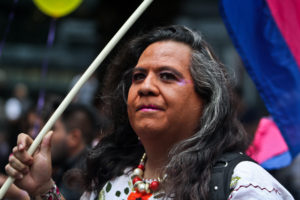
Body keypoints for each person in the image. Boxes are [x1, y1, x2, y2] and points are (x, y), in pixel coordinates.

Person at [5, 25, 294, 200]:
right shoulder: (113, 177)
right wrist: (42, 188)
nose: (146, 86)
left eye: (167, 76)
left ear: (206, 98)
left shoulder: (241, 185)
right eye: (138, 76)